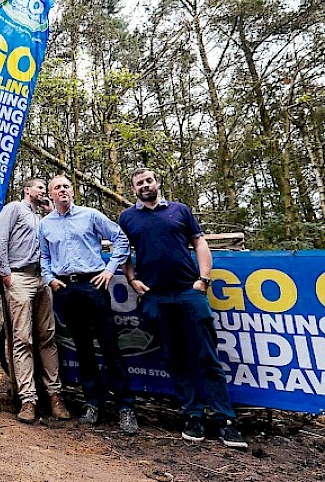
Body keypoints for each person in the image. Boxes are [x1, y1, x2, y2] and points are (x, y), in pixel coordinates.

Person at [119, 168, 247, 448]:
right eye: (139, 183)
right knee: (175, 358)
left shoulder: (180, 210)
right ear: (133, 189)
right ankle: (192, 415)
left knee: (207, 356)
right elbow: (122, 251)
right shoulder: (127, 218)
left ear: (157, 182)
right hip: (155, 296)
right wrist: (131, 279)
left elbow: (199, 242)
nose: (145, 185)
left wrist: (203, 279)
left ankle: (225, 420)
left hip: (189, 292)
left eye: (149, 180)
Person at [39, 175, 139, 435]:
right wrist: (49, 278)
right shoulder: (45, 224)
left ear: (73, 191)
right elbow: (43, 256)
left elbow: (121, 239)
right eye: (57, 187)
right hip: (65, 289)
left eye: (66, 186)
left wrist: (110, 269)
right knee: (82, 347)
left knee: (109, 344)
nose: (63, 190)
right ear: (50, 194)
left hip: (94, 284)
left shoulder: (90, 215)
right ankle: (92, 402)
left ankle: (125, 406)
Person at [0, 178, 70, 424]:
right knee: (22, 339)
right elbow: (0, 240)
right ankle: (28, 399)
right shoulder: (14, 208)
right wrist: (5, 274)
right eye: (40, 187)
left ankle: (55, 396)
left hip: (43, 278)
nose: (43, 191)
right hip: (19, 277)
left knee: (48, 337)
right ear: (27, 190)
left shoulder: (44, 217)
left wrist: (51, 211)